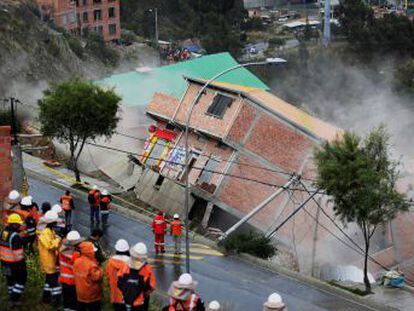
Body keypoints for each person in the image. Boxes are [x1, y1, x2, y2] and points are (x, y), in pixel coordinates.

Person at [117, 242, 156, 311]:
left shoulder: (125, 265)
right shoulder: (147, 268)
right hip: (140, 302)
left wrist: (126, 291)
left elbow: (119, 282)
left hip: (125, 300)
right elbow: (151, 286)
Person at [0, 214, 26, 307]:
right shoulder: (15, 236)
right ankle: (13, 298)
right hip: (14, 263)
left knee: (10, 280)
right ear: (14, 225)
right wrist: (22, 264)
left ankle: (12, 295)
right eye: (18, 224)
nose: (20, 226)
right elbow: (18, 255)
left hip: (3, 262)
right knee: (21, 280)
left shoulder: (3, 232)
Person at [38, 210, 62, 306]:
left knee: (48, 281)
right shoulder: (45, 233)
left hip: (51, 260)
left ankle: (46, 298)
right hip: (48, 262)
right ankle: (57, 302)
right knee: (55, 283)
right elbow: (50, 246)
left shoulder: (50, 231)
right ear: (52, 222)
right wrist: (58, 239)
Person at [73, 241, 104, 311]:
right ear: (89, 252)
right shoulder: (91, 264)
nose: (94, 252)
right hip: (91, 295)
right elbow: (97, 277)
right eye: (93, 251)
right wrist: (100, 270)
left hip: (80, 293)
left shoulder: (77, 261)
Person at [59, 230, 83, 311]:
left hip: (64, 280)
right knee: (74, 302)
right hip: (73, 281)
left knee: (66, 301)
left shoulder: (61, 251)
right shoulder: (76, 254)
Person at [107, 239, 130, 311]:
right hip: (127, 295)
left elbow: (108, 276)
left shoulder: (110, 261)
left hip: (115, 294)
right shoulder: (130, 262)